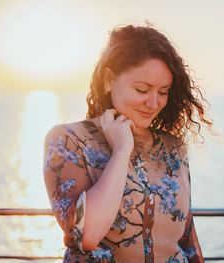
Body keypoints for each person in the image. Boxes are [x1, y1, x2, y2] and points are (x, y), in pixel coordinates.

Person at [43, 23, 212, 263]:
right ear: (109, 80)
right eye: (142, 89)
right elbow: (85, 236)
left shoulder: (172, 147)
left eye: (163, 92)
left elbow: (187, 240)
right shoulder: (68, 140)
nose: (154, 103)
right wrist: (121, 152)